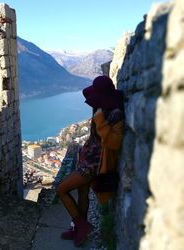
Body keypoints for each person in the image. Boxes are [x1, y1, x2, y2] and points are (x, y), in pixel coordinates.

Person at [56, 75, 124, 246]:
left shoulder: (115, 114)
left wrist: (100, 122)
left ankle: (82, 225)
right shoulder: (102, 109)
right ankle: (78, 229)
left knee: (62, 189)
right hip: (87, 159)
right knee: (82, 193)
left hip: (94, 165)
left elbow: (115, 143)